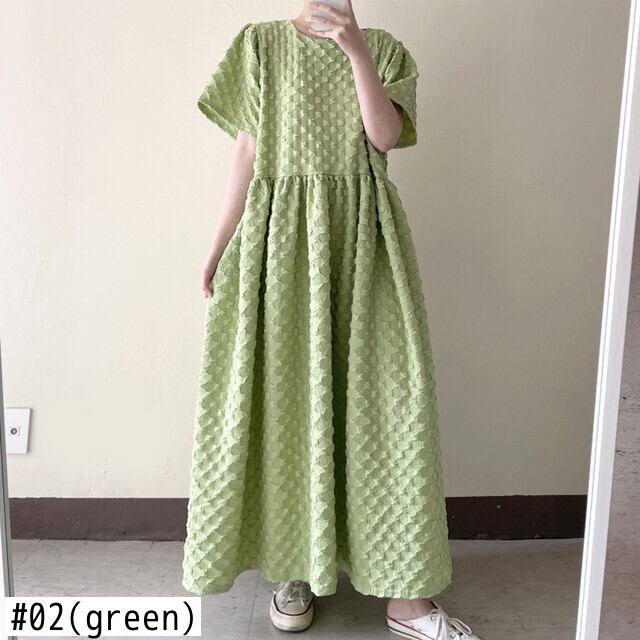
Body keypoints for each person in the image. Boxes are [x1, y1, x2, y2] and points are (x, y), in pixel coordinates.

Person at [182, 2, 482, 639]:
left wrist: (355, 51)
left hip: (362, 244)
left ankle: (408, 599)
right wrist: (217, 247)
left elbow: (384, 136)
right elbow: (247, 151)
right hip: (282, 246)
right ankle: (295, 566)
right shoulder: (259, 45)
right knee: (289, 405)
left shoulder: (385, 49)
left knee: (390, 407)